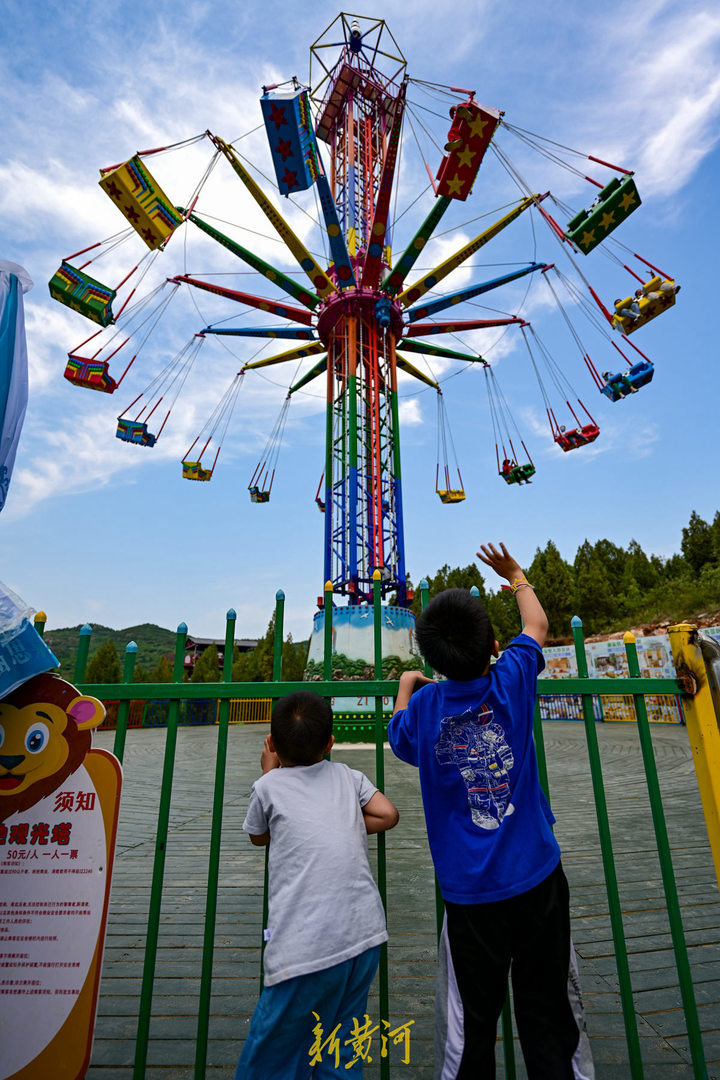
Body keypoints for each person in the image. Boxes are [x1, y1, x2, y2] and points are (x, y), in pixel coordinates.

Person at [388, 543, 593, 1079]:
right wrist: (517, 575)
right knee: (549, 1010)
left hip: (469, 896)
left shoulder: (425, 709)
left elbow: (399, 737)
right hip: (537, 877)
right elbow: (538, 625)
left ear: (433, 662)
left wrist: (407, 686)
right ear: (495, 647)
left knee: (470, 1026)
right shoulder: (512, 679)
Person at [237, 690, 399, 1080]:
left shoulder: (268, 786)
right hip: (364, 935)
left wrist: (268, 773)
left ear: (272, 744)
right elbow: (388, 814)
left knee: (271, 1057)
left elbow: (258, 835)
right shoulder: (347, 776)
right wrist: (344, 823)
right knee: (340, 1050)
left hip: (304, 946)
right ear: (330, 743)